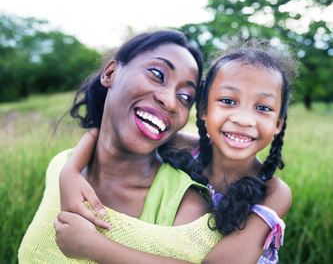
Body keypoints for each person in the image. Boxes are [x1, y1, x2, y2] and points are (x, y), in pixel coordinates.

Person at [53, 38, 298, 263]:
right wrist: (70, 172)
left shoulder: (273, 191)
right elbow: (105, 133)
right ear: (203, 109)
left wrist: (92, 245)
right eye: (228, 101)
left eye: (263, 108)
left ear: (278, 124)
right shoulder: (184, 146)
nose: (244, 119)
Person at [18, 30, 225, 264]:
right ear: (110, 73)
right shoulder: (61, 167)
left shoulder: (185, 209)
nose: (170, 101)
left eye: (186, 97)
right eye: (157, 74)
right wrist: (70, 169)